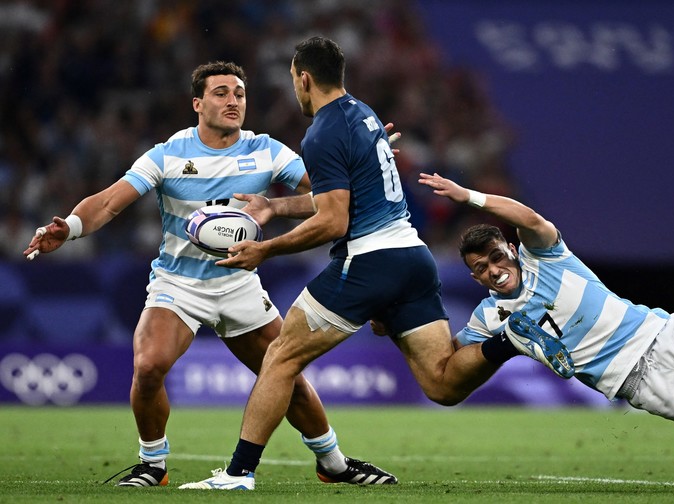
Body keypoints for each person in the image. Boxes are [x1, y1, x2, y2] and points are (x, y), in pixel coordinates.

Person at [178, 36, 532, 491]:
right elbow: (340, 195)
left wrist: (265, 249)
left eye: (293, 81)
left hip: (369, 262)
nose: (294, 90)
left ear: (304, 78)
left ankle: (239, 473)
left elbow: (332, 220)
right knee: (443, 385)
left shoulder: (322, 132)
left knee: (280, 357)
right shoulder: (362, 115)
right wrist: (273, 207)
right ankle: (513, 336)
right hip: (412, 258)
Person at [23, 61, 398, 488]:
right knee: (148, 366)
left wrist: (366, 162)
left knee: (285, 375)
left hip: (238, 283)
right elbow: (109, 202)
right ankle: (153, 465)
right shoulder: (168, 154)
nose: (233, 100)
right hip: (178, 284)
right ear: (197, 103)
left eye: (239, 93)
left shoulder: (267, 150)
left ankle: (333, 464)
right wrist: (69, 228)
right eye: (221, 93)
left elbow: (327, 194)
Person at [416, 171, 674, 428]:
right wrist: (398, 315)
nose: (494, 270)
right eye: (482, 268)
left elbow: (530, 220)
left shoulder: (543, 256)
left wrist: (469, 196)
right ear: (475, 278)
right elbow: (452, 362)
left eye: (497, 257)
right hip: (638, 381)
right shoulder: (487, 318)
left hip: (664, 334)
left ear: (511, 248)